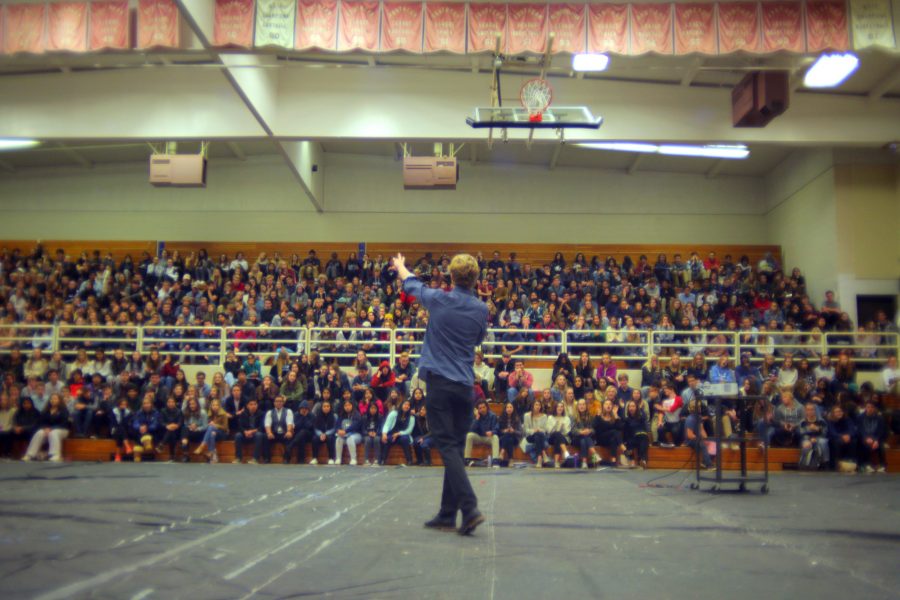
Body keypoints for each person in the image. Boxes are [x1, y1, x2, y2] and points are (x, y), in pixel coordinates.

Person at [394, 252, 488, 536]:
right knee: (455, 449)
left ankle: (469, 507)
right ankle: (448, 514)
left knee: (446, 445)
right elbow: (479, 339)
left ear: (451, 276)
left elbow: (412, 286)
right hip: (464, 387)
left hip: (439, 383)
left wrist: (400, 266)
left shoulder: (439, 299)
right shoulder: (481, 309)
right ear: (476, 279)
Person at [23, 393, 70, 462]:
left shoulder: (64, 410)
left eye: (55, 399)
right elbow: (41, 422)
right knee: (39, 433)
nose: (53, 400)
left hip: (62, 430)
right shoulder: (46, 410)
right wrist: (45, 428)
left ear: (59, 400)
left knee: (53, 433)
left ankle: (56, 455)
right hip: (48, 430)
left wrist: (51, 428)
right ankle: (30, 454)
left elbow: (64, 423)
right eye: (51, 399)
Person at [381, 398, 415, 465]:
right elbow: (387, 424)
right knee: (386, 439)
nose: (407, 406)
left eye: (408, 405)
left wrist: (399, 434)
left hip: (403, 435)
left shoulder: (412, 417)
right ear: (401, 405)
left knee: (405, 439)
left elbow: (409, 430)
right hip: (392, 434)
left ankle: (409, 460)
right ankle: (382, 460)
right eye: (405, 404)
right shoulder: (394, 413)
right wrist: (384, 433)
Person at [465, 400, 500, 466]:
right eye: (480, 408)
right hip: (479, 437)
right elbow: (471, 429)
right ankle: (467, 459)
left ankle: (495, 460)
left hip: (488, 437)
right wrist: (477, 418)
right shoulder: (476, 416)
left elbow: (497, 428)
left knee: (495, 437)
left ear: (487, 407)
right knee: (469, 435)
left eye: (483, 407)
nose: (482, 409)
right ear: (477, 409)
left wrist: (492, 432)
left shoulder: (492, 415)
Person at [593, 399, 627, 467]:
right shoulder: (599, 416)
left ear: (612, 407)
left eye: (610, 404)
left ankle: (613, 460)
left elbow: (620, 427)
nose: (608, 406)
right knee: (614, 432)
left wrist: (616, 415)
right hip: (601, 439)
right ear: (603, 406)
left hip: (611, 440)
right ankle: (623, 448)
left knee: (613, 439)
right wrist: (597, 416)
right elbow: (594, 426)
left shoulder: (613, 416)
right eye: (606, 404)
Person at [856, 400, 887, 473]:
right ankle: (867, 465)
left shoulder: (880, 418)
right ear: (865, 408)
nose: (870, 409)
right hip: (864, 438)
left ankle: (882, 465)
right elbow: (860, 430)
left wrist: (876, 440)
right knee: (865, 445)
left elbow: (881, 431)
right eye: (868, 407)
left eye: (872, 407)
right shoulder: (860, 417)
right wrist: (866, 438)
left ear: (874, 408)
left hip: (876, 438)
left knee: (881, 446)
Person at [195, 398, 228, 464]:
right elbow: (208, 426)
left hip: (222, 433)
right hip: (213, 432)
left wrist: (215, 425)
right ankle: (213, 456)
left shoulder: (224, 414)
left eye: (216, 405)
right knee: (212, 433)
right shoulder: (209, 414)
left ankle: (203, 445)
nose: (215, 407)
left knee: (211, 428)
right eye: (213, 405)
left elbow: (225, 428)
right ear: (211, 406)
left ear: (219, 406)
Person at [131, 394, 162, 462]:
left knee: (151, 432)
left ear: (151, 404)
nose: (146, 405)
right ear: (142, 405)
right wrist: (140, 427)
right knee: (137, 432)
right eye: (144, 403)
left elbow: (156, 425)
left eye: (148, 403)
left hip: (153, 433)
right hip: (140, 432)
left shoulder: (156, 413)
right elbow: (135, 423)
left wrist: (147, 428)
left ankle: (140, 449)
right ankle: (146, 442)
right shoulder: (138, 413)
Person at [264, 395, 295, 464]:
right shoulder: (269, 412)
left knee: (289, 438)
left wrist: (289, 431)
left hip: (284, 433)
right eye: (277, 401)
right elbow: (267, 424)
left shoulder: (288, 411)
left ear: (283, 403)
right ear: (274, 403)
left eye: (280, 401)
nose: (278, 403)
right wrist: (269, 433)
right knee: (265, 437)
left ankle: (286, 459)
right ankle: (267, 458)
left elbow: (289, 422)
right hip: (274, 433)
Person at [798, 403, 829, 470]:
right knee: (806, 444)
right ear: (805, 411)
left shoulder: (821, 421)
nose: (810, 411)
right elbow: (802, 433)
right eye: (808, 410)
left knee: (823, 442)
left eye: (812, 409)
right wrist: (809, 436)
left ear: (815, 410)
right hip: (806, 439)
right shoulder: (803, 422)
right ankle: (805, 465)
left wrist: (818, 429)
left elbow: (825, 433)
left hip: (819, 438)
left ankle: (825, 462)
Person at [571, 398, 599, 469]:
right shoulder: (574, 417)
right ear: (577, 406)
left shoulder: (590, 417)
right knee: (584, 438)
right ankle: (594, 454)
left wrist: (589, 431)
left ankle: (584, 462)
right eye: (580, 404)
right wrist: (581, 432)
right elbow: (572, 431)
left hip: (586, 439)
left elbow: (594, 430)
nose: (582, 406)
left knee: (584, 440)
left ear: (586, 406)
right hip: (576, 439)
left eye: (583, 404)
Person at [334, 398, 362, 465]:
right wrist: (338, 431)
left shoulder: (356, 414)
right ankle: (338, 458)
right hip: (344, 435)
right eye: (345, 406)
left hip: (356, 434)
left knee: (350, 439)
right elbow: (337, 425)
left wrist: (345, 431)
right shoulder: (341, 415)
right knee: (338, 439)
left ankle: (353, 459)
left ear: (352, 406)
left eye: (349, 405)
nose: (347, 407)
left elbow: (355, 425)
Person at [180, 396, 208, 463]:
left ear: (197, 404)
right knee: (184, 428)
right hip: (190, 433)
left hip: (200, 434)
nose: (192, 406)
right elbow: (186, 424)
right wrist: (190, 426)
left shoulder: (202, 412)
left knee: (186, 433)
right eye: (190, 404)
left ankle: (184, 447)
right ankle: (186, 453)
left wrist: (197, 428)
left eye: (193, 404)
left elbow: (205, 426)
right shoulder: (187, 412)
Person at [623, 399, 649, 468]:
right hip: (632, 438)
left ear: (637, 408)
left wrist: (641, 409)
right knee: (629, 441)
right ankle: (634, 460)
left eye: (633, 406)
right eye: (630, 407)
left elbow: (645, 419)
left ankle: (643, 460)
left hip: (642, 437)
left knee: (643, 436)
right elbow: (626, 432)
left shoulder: (641, 417)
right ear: (628, 408)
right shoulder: (626, 419)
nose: (631, 408)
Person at [546, 401, 571, 468]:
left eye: (561, 407)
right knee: (557, 434)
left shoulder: (566, 418)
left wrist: (563, 426)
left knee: (558, 438)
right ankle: (565, 452)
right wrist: (555, 424)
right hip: (551, 438)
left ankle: (556, 462)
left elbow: (567, 432)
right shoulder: (550, 417)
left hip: (564, 438)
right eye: (558, 406)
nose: (560, 408)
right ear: (555, 408)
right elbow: (548, 431)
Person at [311, 399, 337, 465]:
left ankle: (331, 458)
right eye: (324, 406)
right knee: (314, 439)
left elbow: (334, 428)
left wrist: (325, 434)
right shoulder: (317, 416)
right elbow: (315, 428)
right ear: (321, 408)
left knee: (331, 438)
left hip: (330, 434)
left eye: (328, 406)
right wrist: (321, 434)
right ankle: (314, 458)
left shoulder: (334, 416)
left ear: (330, 407)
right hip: (320, 434)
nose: (326, 408)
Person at [497, 402, 523, 466]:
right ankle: (511, 459)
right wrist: (504, 431)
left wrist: (513, 431)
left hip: (515, 439)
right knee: (508, 437)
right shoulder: (501, 418)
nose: (509, 409)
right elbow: (498, 431)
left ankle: (502, 452)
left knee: (509, 435)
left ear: (513, 409)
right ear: (505, 409)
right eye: (507, 407)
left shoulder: (517, 419)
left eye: (511, 407)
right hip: (503, 439)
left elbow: (521, 433)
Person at [290, 400, 315, 465]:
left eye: (305, 409)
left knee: (303, 432)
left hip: (309, 434)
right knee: (301, 438)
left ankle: (291, 445)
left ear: (308, 409)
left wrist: (304, 417)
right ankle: (301, 459)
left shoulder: (311, 415)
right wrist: (302, 417)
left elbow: (310, 426)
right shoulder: (296, 415)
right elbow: (296, 426)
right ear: (299, 409)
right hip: (298, 434)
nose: (304, 410)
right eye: (302, 408)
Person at [158, 396, 183, 460]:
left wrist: (175, 426)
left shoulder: (179, 411)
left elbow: (180, 422)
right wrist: (167, 426)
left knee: (172, 432)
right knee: (171, 432)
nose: (171, 403)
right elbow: (161, 422)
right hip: (165, 430)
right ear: (167, 403)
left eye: (172, 402)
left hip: (176, 430)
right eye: (169, 402)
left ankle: (162, 444)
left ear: (175, 403)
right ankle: (172, 455)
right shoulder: (163, 411)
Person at [109, 396, 133, 462]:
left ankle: (118, 455)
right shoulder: (113, 411)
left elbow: (127, 424)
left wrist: (124, 414)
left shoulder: (128, 412)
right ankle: (127, 446)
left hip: (125, 431)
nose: (124, 406)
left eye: (125, 405)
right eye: (122, 404)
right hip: (114, 430)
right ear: (118, 405)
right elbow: (114, 423)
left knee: (121, 431)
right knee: (120, 429)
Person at [361, 401, 383, 466]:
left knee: (376, 439)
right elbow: (362, 429)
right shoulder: (364, 417)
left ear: (377, 409)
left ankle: (377, 459)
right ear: (368, 409)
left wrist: (377, 433)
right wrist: (368, 433)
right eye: (371, 408)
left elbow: (381, 428)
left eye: (375, 408)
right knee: (367, 440)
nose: (373, 410)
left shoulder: (380, 417)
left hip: (377, 434)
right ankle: (366, 460)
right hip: (367, 435)